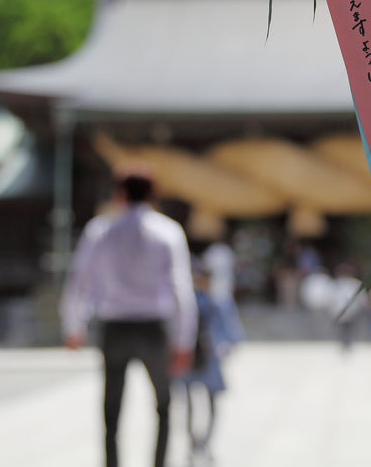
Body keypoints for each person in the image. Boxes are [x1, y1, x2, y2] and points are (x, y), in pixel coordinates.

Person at [59, 167, 198, 467]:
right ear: (152, 195)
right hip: (154, 327)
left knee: (112, 407)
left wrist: (74, 325)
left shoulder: (100, 230)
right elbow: (182, 289)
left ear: (119, 194)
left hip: (115, 327)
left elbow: (79, 282)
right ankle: (159, 463)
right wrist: (184, 339)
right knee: (164, 404)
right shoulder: (168, 231)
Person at [178, 258, 241, 462]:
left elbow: (229, 328)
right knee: (189, 403)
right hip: (191, 354)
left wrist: (227, 345)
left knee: (211, 402)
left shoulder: (219, 300)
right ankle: (192, 443)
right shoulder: (189, 299)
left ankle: (207, 442)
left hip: (211, 356)